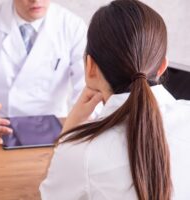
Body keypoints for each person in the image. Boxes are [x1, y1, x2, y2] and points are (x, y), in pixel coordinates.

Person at [40, 0, 190, 199]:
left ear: (90, 66)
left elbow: (49, 195)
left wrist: (68, 132)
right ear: (162, 67)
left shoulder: (79, 151)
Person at [0, 0, 87, 144]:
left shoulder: (72, 26)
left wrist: (82, 120)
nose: (36, 0)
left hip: (52, 129)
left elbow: (87, 83)